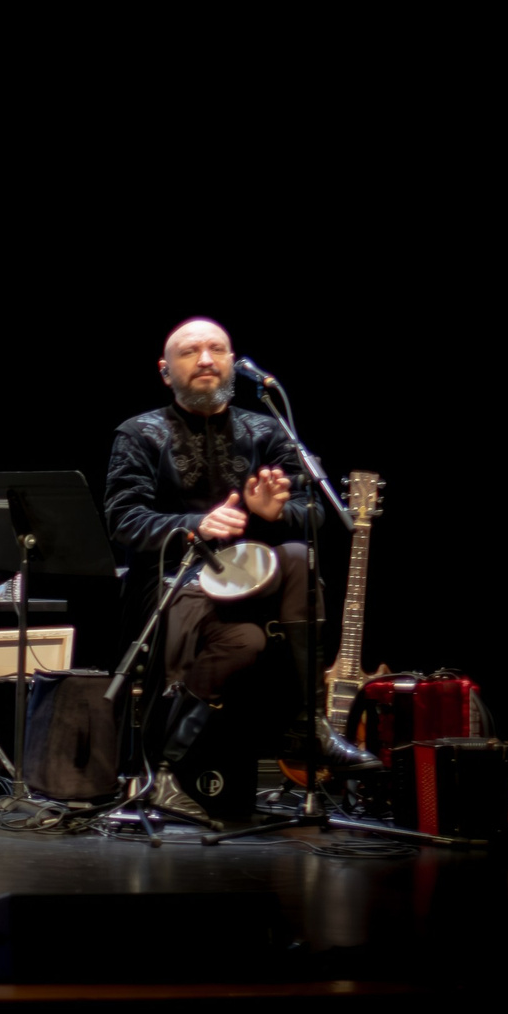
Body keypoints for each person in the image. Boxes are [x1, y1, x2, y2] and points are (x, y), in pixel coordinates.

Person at [103, 316, 362, 822]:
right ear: (165, 370)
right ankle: (171, 773)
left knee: (300, 557)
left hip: (258, 580)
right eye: (190, 352)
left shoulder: (267, 430)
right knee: (245, 641)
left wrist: (272, 514)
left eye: (217, 350)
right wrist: (198, 524)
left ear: (232, 363)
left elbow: (313, 513)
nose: (205, 359)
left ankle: (309, 723)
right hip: (176, 581)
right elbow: (123, 518)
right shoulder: (139, 433)